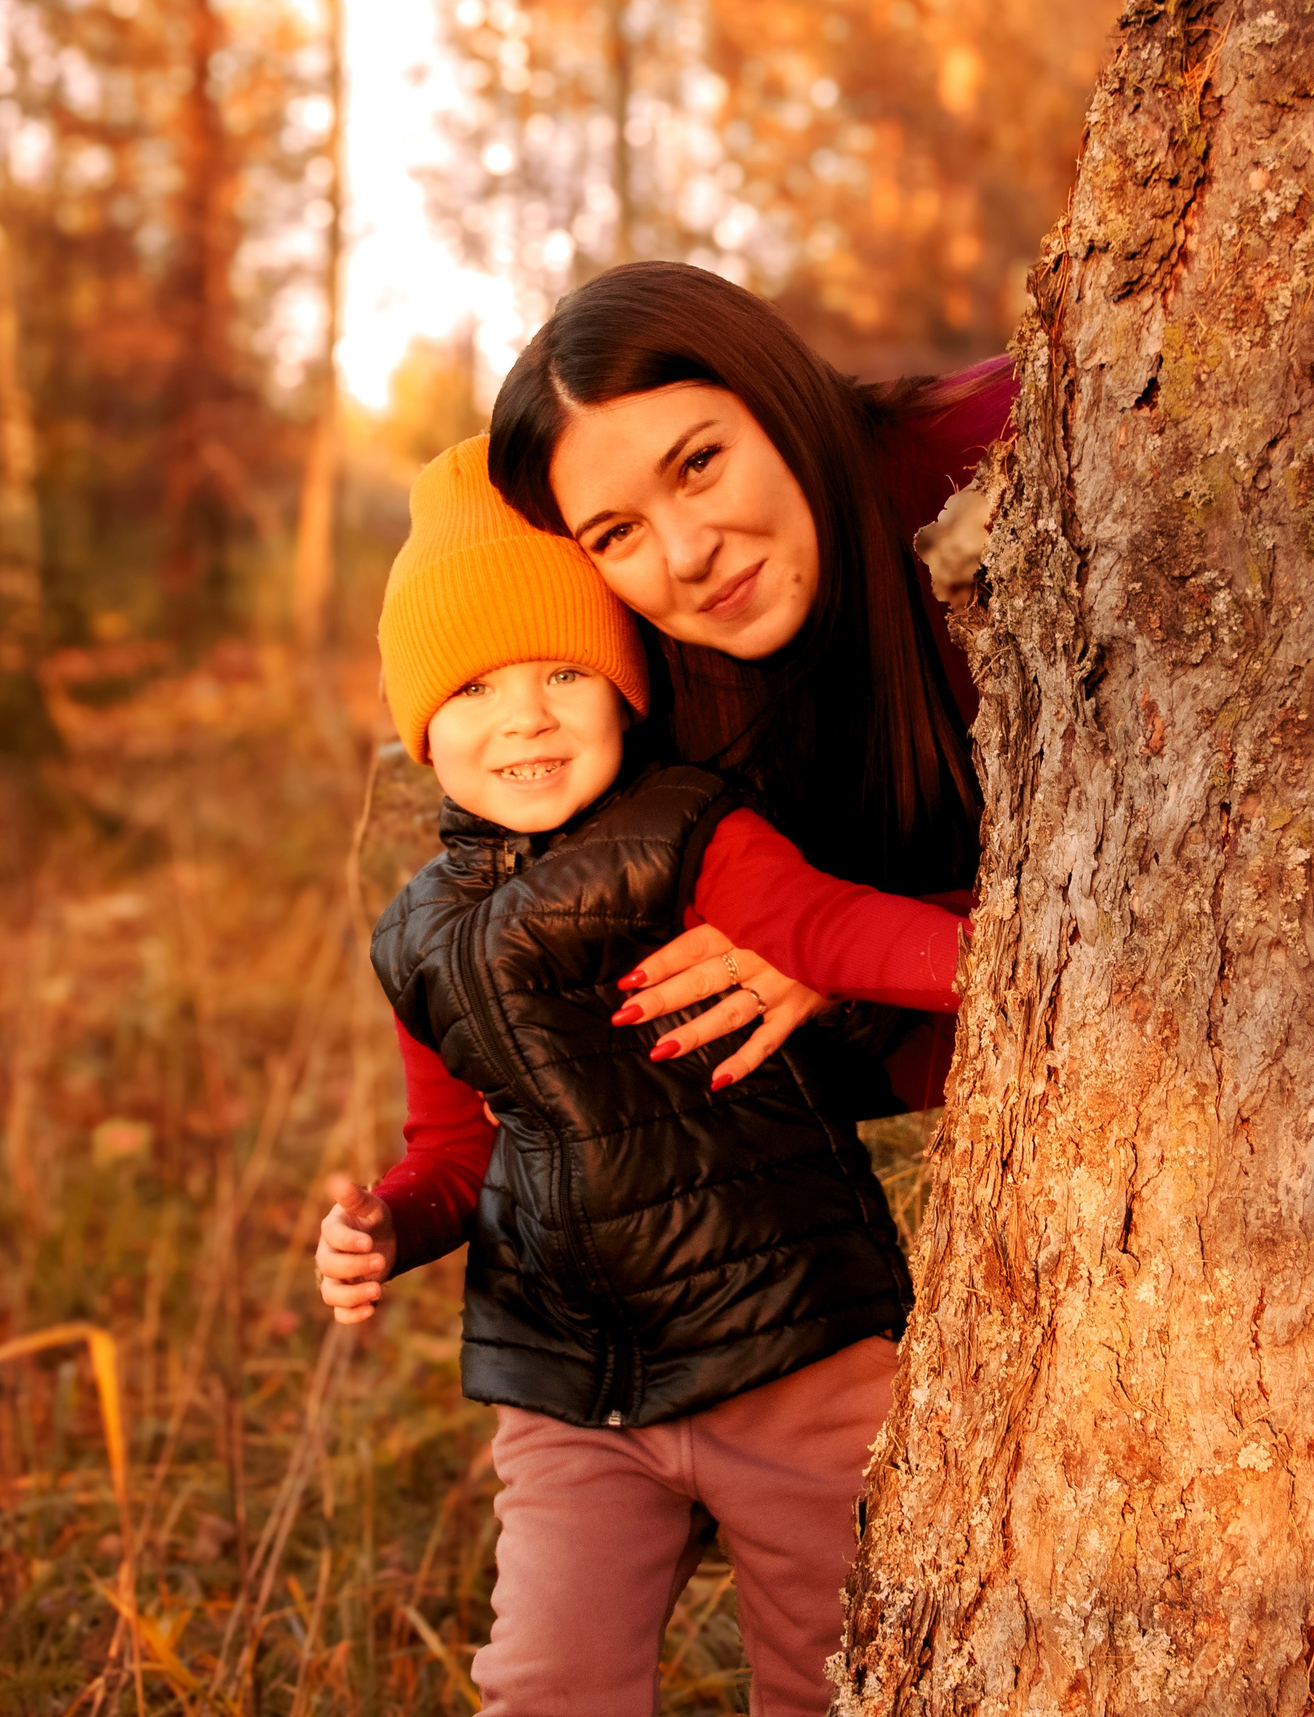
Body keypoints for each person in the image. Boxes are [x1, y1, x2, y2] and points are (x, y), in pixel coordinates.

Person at [319, 436, 969, 1716]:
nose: (525, 716)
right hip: (570, 1385)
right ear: (420, 727)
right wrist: (386, 1226)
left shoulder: (690, 828)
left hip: (787, 1347)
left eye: (566, 669)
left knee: (832, 1677)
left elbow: (830, 929)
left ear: (623, 689)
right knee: (546, 1684)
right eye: (475, 689)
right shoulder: (414, 930)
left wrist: (1017, 953)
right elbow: (456, 1148)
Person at [487, 259, 1015, 1103]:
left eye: (699, 462)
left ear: (774, 392)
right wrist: (836, 951)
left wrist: (846, 953)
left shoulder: (1011, 445)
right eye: (618, 532)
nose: (688, 554)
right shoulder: (671, 696)